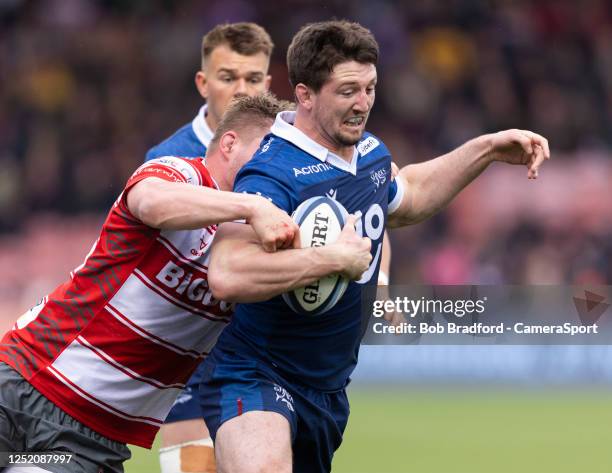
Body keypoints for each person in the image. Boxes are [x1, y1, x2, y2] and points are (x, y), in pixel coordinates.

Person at [199, 20, 550, 473]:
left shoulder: (369, 154)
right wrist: (329, 259)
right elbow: (227, 273)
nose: (362, 104)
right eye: (347, 91)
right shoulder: (273, 171)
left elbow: (408, 196)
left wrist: (486, 149)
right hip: (255, 372)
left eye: (370, 88)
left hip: (326, 389)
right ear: (305, 95)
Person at [0, 94, 372, 473]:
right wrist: (251, 205)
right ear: (229, 143)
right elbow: (150, 203)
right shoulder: (182, 173)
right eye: (269, 150)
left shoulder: (263, 244)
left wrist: (338, 256)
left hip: (88, 440)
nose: (276, 165)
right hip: (21, 380)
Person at [145, 21, 394, 472]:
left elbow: (365, 211)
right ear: (203, 84)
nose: (242, 89)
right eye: (229, 77)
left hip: (260, 338)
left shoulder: (287, 148)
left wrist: (381, 277)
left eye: (254, 78)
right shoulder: (171, 158)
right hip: (193, 350)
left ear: (270, 83)